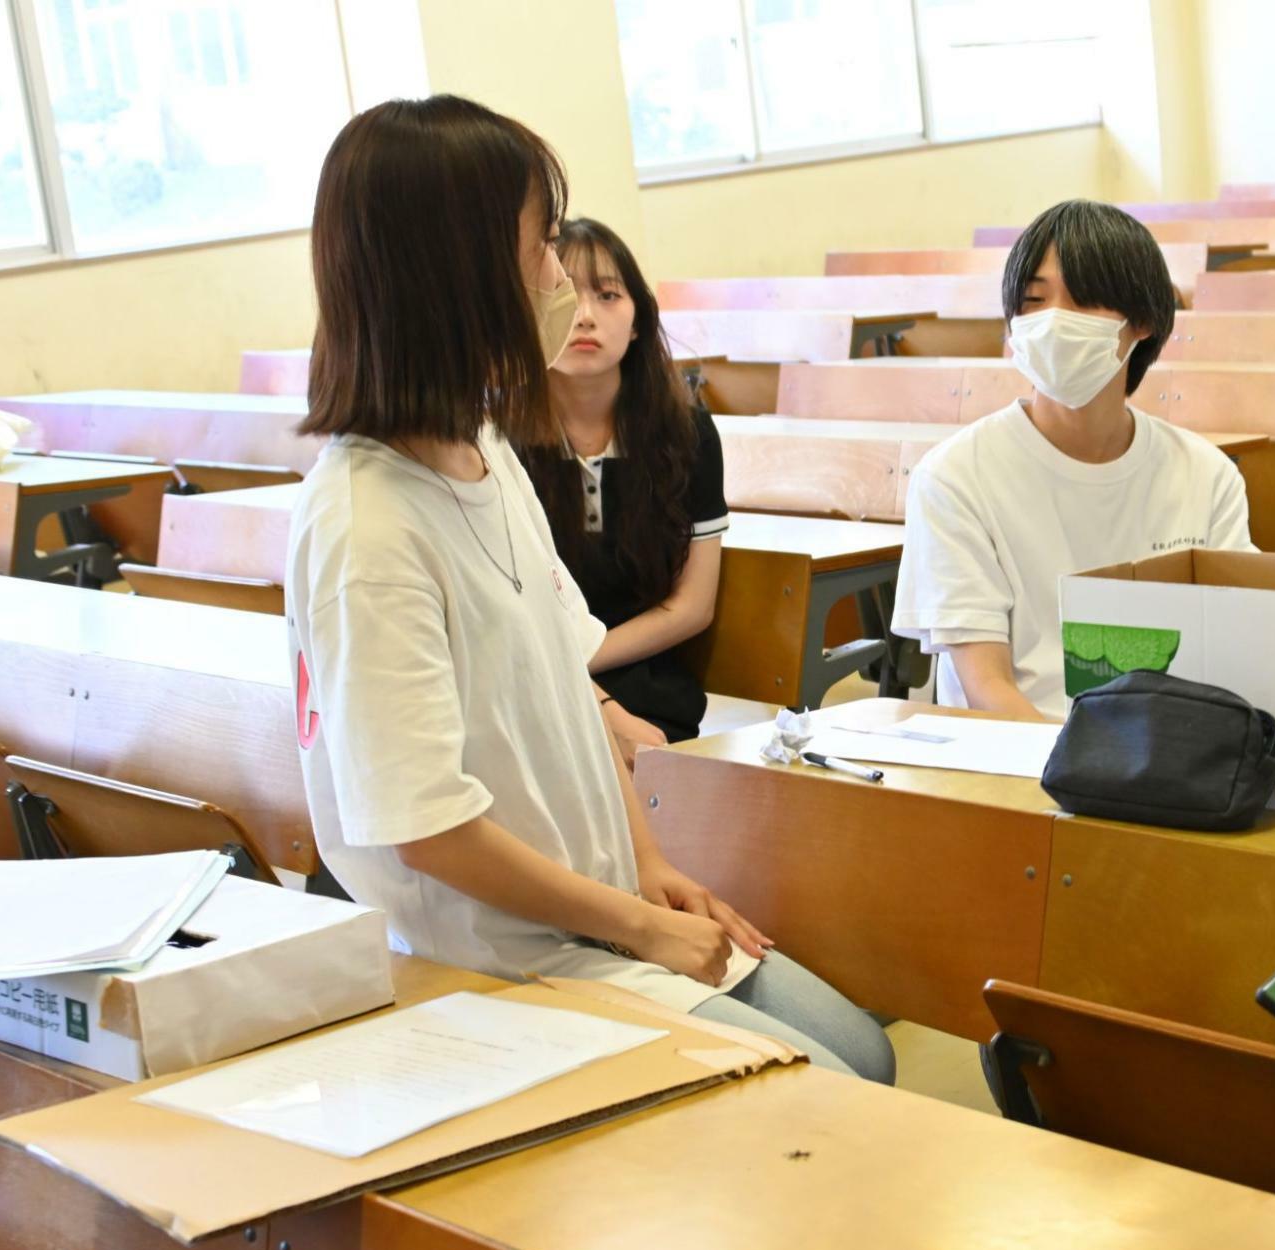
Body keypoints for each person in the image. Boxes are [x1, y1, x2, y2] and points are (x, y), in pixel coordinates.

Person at [286, 95, 892, 1083]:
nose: (562, 281)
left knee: (864, 1050)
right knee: (843, 1089)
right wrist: (637, 926)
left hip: (595, 907)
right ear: (459, 274)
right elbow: (426, 827)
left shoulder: (483, 446)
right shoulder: (369, 523)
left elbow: (575, 690)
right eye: (541, 248)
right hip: (491, 961)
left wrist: (646, 867)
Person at [891, 199, 1254, 719]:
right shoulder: (954, 478)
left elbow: (1239, 649)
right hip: (1018, 765)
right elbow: (987, 688)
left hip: (1172, 758)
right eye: (1033, 301)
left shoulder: (1206, 474)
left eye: (1083, 301)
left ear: (1143, 321)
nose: (1053, 321)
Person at [512, 216, 727, 751]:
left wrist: (578, 659)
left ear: (637, 321)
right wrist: (560, 673)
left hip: (649, 691)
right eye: (564, 293)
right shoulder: (495, 440)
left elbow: (692, 606)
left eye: (608, 295)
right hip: (527, 695)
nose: (585, 316)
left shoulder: (687, 433)